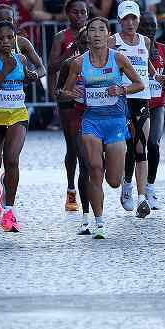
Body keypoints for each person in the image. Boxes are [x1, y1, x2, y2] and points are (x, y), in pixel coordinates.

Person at [63, 16, 145, 238]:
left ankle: (116, 180)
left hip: (116, 122)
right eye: (93, 30)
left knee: (114, 180)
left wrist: (121, 90)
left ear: (107, 34)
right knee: (94, 170)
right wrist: (73, 93)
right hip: (91, 122)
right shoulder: (79, 63)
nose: (97, 34)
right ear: (87, 35)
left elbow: (140, 84)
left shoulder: (118, 59)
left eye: (101, 30)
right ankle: (99, 223)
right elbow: (64, 91)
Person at [0, 21, 38, 232]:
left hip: (17, 116)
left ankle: (9, 212)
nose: (5, 42)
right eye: (1, 38)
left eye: (9, 38)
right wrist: (4, 71)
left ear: (14, 39)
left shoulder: (20, 59)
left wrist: (30, 77)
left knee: (11, 159)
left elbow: (31, 76)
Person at [108, 1, 156, 218]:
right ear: (119, 20)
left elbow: (147, 66)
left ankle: (142, 198)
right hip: (120, 100)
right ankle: (127, 184)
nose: (130, 22)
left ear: (138, 20)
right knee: (126, 148)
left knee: (140, 147)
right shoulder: (112, 41)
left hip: (141, 99)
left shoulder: (145, 41)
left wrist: (158, 76)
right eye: (126, 18)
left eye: (133, 18)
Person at [47, 0, 89, 209]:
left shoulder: (97, 36)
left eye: (83, 12)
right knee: (73, 147)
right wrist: (70, 50)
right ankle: (71, 188)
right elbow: (52, 66)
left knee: (88, 148)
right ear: (67, 13)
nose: (80, 16)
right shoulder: (61, 37)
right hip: (67, 97)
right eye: (75, 12)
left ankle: (88, 189)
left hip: (90, 97)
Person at [54, 29, 91, 231]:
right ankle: (71, 189)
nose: (88, 46)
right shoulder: (71, 64)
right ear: (78, 43)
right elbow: (58, 93)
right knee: (75, 151)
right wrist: (68, 92)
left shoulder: (107, 61)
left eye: (91, 42)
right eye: (84, 43)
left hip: (94, 111)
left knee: (91, 160)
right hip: (71, 109)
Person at [139, 12, 165, 211]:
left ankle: (150, 187)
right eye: (146, 25)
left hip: (157, 104)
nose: (150, 29)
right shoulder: (133, 48)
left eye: (153, 25)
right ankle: (132, 186)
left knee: (153, 144)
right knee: (135, 148)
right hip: (137, 102)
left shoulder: (164, 49)